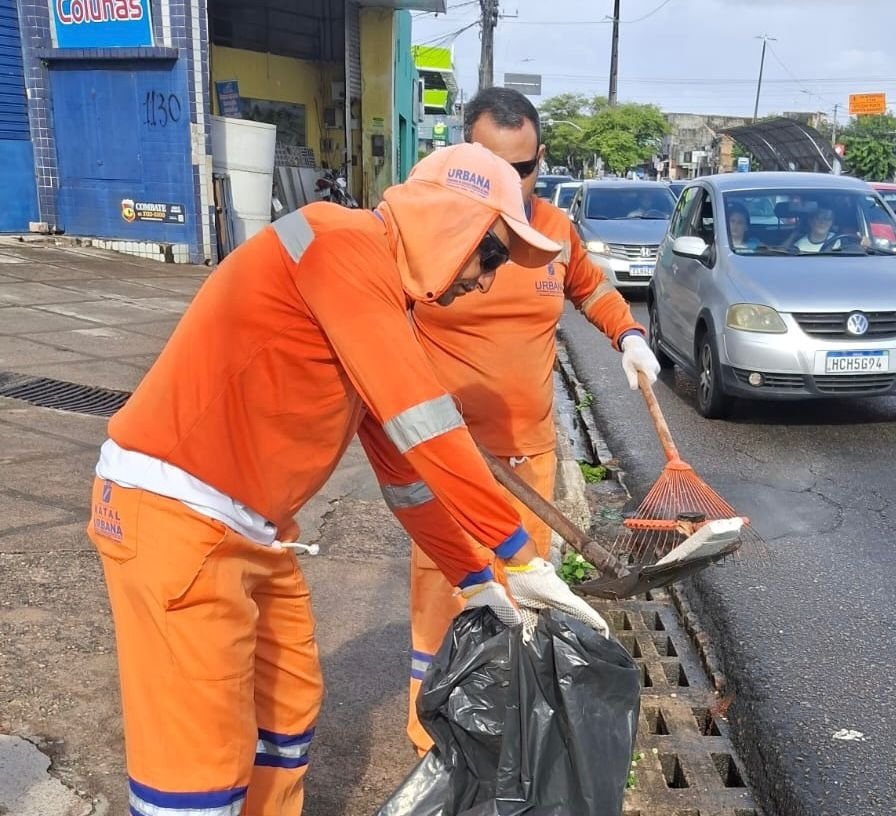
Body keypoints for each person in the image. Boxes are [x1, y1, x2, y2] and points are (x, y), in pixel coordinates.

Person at [86, 143, 608, 816]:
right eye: (490, 256)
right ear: (450, 222)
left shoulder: (372, 295)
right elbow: (425, 425)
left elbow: (405, 473)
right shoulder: (339, 244)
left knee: (285, 709)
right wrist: (519, 554)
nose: (485, 281)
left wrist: (475, 578)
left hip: (250, 530)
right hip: (176, 518)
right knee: (198, 760)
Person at [375, 87, 661, 755]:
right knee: (447, 591)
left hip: (529, 454)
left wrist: (627, 335)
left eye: (526, 168)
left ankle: (502, 726)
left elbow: (590, 287)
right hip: (448, 458)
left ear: (540, 161)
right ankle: (432, 731)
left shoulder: (553, 231)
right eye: (496, 167)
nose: (514, 182)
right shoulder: (428, 237)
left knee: (521, 594)